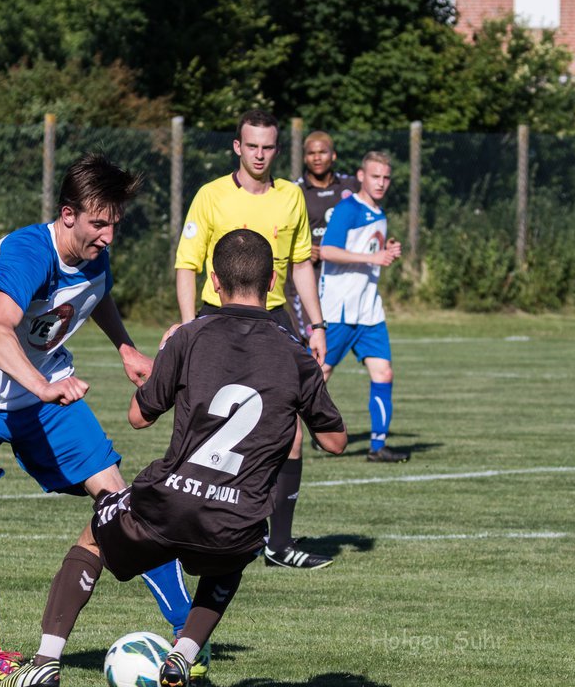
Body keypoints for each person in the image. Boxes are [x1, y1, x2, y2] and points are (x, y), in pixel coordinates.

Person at [0, 229, 347, 687]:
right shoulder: (295, 354)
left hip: (169, 501)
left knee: (94, 536)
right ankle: (181, 656)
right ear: (271, 284)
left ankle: (47, 661)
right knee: (234, 556)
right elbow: (333, 441)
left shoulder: (190, 335)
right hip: (236, 517)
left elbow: (138, 417)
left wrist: (165, 362)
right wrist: (307, 389)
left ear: (215, 283)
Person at [0, 153, 194, 687]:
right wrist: (46, 387)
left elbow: (95, 295)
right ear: (67, 214)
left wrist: (125, 348)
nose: (108, 237)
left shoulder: (94, 255)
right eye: (99, 224)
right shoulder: (29, 252)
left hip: (43, 397)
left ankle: (187, 631)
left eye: (114, 225)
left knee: (118, 499)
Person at [174, 109, 334, 570]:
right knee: (199, 424)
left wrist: (316, 326)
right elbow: (188, 262)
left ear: (276, 149)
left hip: (274, 321)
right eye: (252, 146)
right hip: (216, 318)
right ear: (237, 147)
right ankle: (187, 531)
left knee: (292, 433)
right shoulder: (211, 196)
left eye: (268, 147)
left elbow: (301, 263)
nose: (260, 154)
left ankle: (278, 545)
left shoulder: (291, 198)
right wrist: (189, 328)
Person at [316, 151, 409, 463]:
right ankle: (306, 433)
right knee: (319, 375)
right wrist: (373, 257)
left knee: (383, 372)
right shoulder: (348, 209)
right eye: (375, 177)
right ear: (361, 176)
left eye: (385, 178)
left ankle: (378, 446)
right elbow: (327, 250)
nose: (381, 183)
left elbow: (369, 248)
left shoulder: (377, 211)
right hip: (339, 310)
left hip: (368, 310)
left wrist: (386, 250)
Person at [291, 131, 359, 342]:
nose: (317, 158)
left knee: (337, 341)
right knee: (307, 341)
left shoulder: (352, 186)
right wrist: (300, 250)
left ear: (334, 155)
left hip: (342, 275)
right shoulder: (295, 191)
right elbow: (281, 232)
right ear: (305, 157)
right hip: (308, 273)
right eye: (311, 153)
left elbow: (370, 217)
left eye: (323, 152)